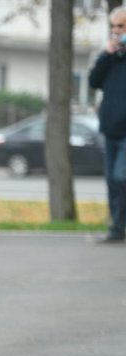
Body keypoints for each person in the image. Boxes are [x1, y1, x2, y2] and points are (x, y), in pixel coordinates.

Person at [89, 6, 126, 243]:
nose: (116, 31)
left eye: (121, 26)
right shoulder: (111, 58)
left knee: (121, 176)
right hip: (110, 129)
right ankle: (117, 229)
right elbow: (94, 81)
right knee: (112, 182)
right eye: (113, 26)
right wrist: (106, 55)